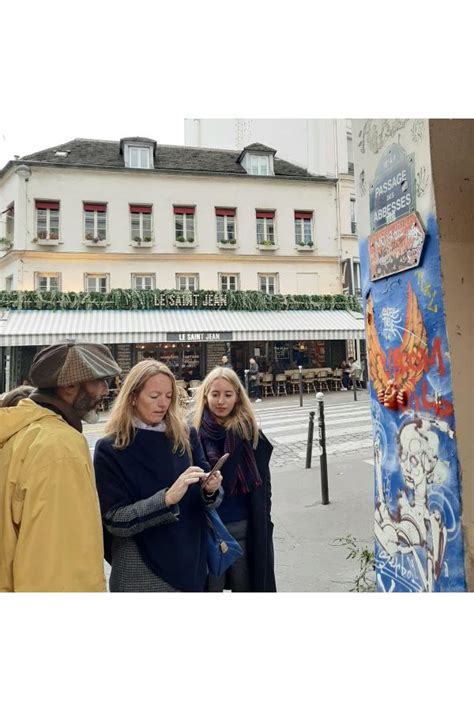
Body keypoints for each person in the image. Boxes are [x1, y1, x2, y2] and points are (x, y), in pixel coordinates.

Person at [0, 340, 121, 592]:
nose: (104, 390)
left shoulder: (21, 430)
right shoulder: (60, 447)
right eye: (99, 381)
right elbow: (59, 563)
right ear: (69, 386)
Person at [93, 360, 223, 592]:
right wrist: (166, 499)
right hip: (140, 570)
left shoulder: (185, 434)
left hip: (191, 561)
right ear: (132, 397)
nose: (163, 403)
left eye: (168, 396)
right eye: (154, 396)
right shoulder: (111, 448)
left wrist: (211, 489)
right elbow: (114, 519)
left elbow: (206, 497)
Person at [193, 367, 276, 592]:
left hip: (244, 527)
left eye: (228, 395)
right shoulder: (193, 433)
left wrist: (264, 520)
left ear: (238, 396)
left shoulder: (249, 432)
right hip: (207, 529)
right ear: (205, 396)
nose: (221, 401)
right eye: (215, 394)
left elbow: (263, 485)